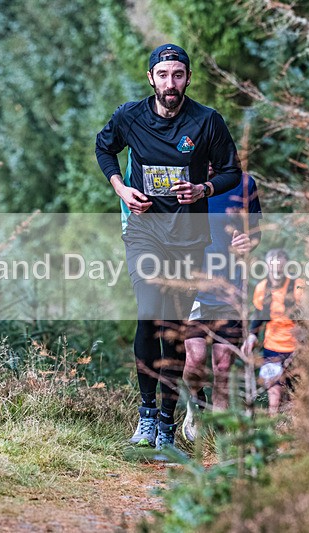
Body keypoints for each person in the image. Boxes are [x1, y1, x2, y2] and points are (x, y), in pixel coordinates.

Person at [95, 44, 242, 458]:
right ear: (151, 78)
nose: (170, 83)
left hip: (189, 239)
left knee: (174, 329)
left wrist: (203, 189)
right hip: (145, 232)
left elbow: (232, 170)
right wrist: (121, 189)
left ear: (188, 78)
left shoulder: (207, 121)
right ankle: (145, 415)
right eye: (163, 75)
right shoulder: (130, 116)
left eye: (178, 74)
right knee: (148, 314)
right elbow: (104, 147)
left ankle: (166, 421)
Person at [181, 168, 262, 441]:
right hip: (194, 288)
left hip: (230, 289)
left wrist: (249, 241)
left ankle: (220, 437)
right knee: (194, 361)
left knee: (223, 367)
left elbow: (256, 230)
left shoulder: (244, 183)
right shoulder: (185, 178)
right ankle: (194, 403)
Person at [242, 248, 304, 415]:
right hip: (271, 348)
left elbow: (305, 318)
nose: (276, 272)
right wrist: (252, 335)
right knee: (274, 397)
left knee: (294, 396)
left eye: (279, 268)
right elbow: (259, 314)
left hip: (294, 350)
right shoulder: (262, 288)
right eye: (272, 268)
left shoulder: (297, 286)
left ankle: (293, 431)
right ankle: (274, 433)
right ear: (267, 267)